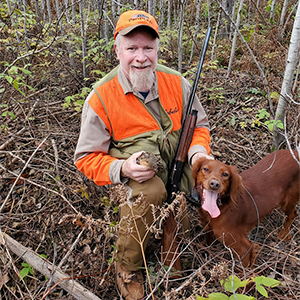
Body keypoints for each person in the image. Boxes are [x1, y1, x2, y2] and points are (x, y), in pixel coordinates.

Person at [74, 9, 211, 300]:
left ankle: (173, 248)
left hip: (179, 167)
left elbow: (199, 126)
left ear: (157, 49)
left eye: (148, 48)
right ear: (117, 50)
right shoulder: (101, 97)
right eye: (132, 48)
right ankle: (128, 267)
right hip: (138, 178)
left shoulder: (178, 83)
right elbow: (85, 158)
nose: (141, 57)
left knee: (185, 222)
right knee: (150, 191)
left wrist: (199, 156)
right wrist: (123, 168)